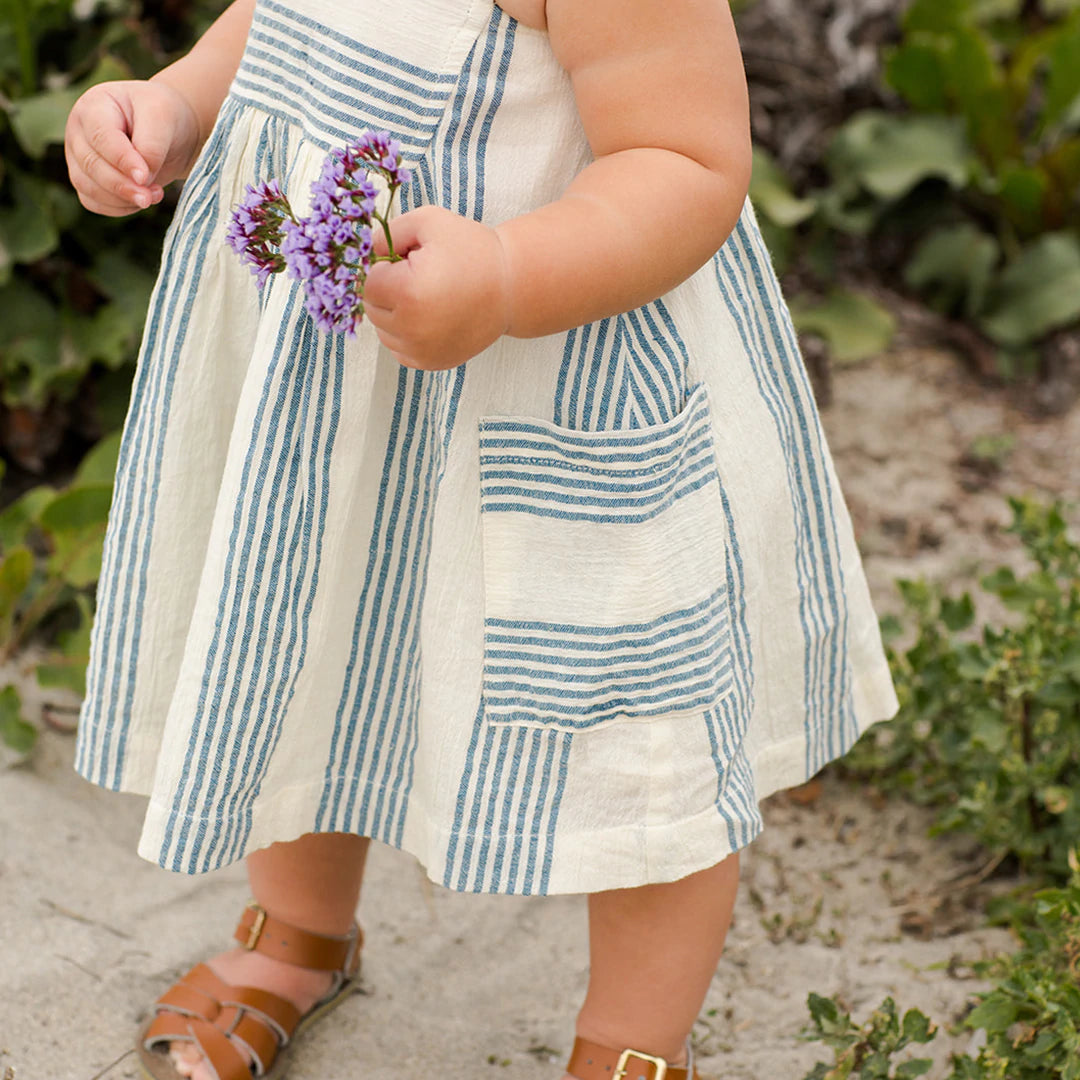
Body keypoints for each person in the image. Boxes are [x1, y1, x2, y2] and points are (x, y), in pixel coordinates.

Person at [64, 0, 899, 1078]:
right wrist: (172, 104)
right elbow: (272, 26)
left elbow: (684, 158)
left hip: (554, 376)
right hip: (338, 386)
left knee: (635, 734)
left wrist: (508, 275)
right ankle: (296, 933)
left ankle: (634, 1044)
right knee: (308, 638)